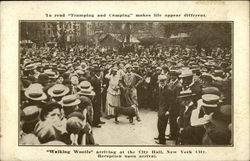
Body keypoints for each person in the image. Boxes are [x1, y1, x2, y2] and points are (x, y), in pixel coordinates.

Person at [154, 75, 172, 145]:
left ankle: (162, 140)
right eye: (160, 81)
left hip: (165, 111)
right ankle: (160, 137)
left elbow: (171, 102)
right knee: (159, 125)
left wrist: (169, 111)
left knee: (162, 126)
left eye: (163, 81)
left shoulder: (169, 90)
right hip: (160, 110)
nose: (162, 82)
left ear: (165, 81)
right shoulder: (160, 88)